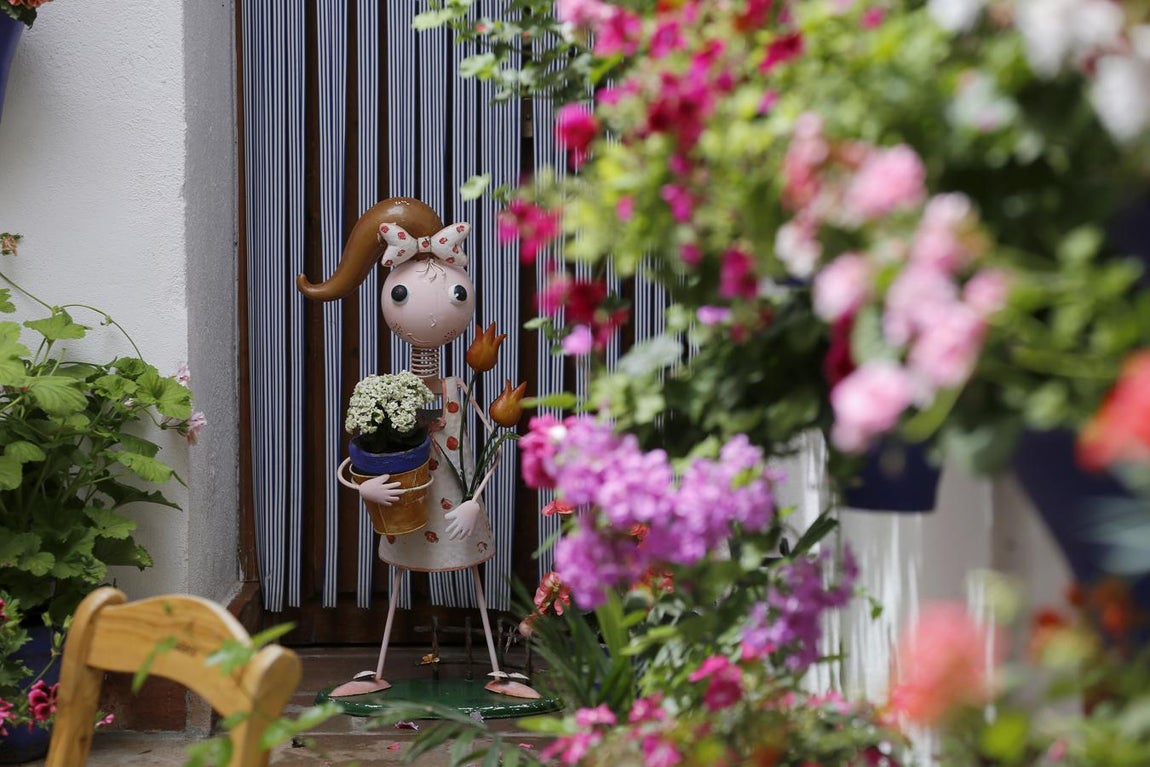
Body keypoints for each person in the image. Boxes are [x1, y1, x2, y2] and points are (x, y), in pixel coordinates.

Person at [297, 196, 535, 699]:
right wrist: (365, 487)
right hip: (408, 509)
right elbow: (361, 453)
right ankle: (379, 668)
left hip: (453, 506)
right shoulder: (391, 392)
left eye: (453, 294)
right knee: (401, 578)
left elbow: (492, 445)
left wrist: (475, 500)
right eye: (402, 293)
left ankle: (495, 668)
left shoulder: (456, 389)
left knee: (469, 577)